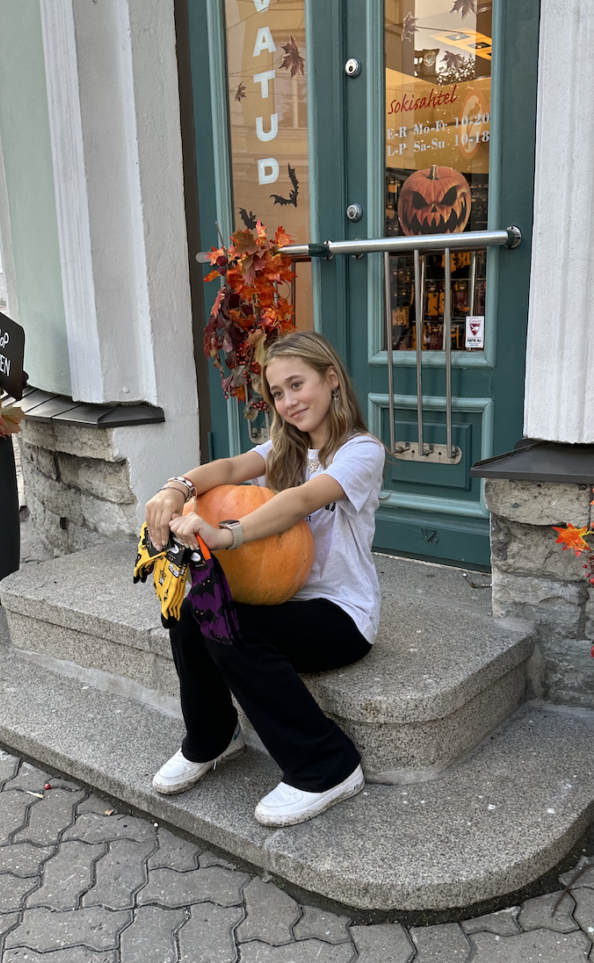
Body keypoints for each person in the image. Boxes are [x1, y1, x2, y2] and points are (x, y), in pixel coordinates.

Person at [144, 331, 385, 827]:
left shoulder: (361, 452)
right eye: (278, 393)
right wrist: (176, 488)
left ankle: (327, 765)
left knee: (235, 629)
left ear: (332, 378)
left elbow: (298, 501)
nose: (289, 401)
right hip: (285, 599)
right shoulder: (285, 447)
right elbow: (232, 466)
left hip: (341, 614)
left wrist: (226, 535)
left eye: (298, 385)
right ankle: (213, 738)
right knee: (193, 612)